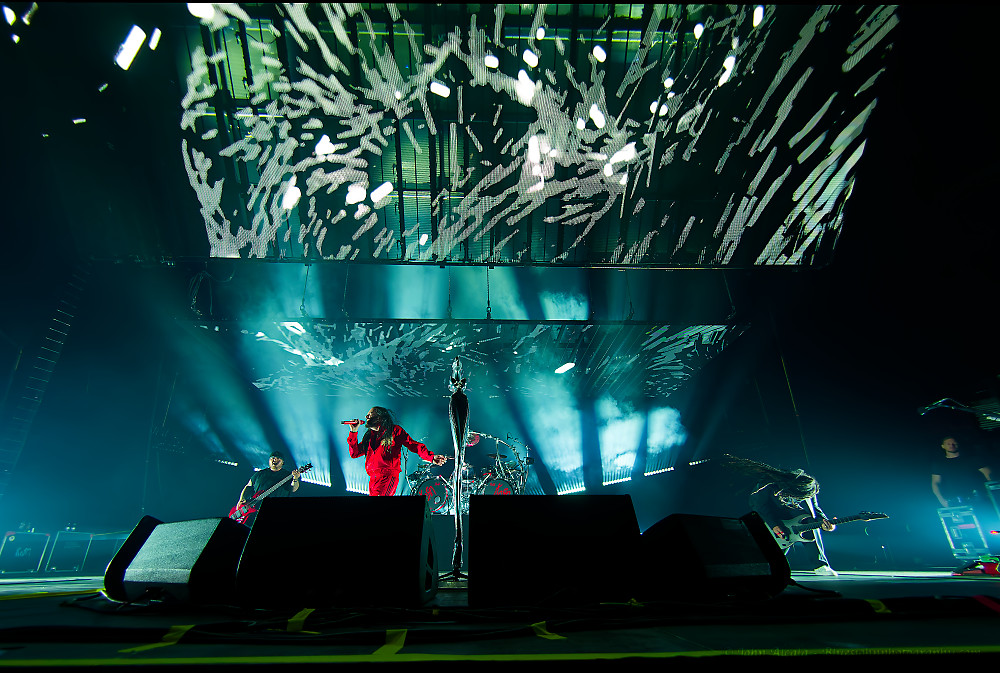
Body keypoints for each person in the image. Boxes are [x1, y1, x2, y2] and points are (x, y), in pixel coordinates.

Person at [722, 454, 838, 576]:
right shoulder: (768, 483)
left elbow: (815, 508)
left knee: (811, 524)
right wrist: (774, 525)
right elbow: (759, 505)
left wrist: (825, 522)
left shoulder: (808, 487)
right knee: (774, 555)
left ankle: (820, 565)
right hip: (776, 519)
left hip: (799, 519)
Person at [347, 406, 449, 496]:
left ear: (380, 417)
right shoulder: (369, 437)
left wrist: (431, 457)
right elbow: (354, 453)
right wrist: (353, 432)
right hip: (373, 479)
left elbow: (414, 445)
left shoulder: (395, 431)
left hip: (387, 477)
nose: (366, 417)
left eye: (370, 414)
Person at [233, 451, 301, 525]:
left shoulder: (288, 475)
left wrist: (295, 479)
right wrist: (242, 498)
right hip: (253, 509)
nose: (275, 459)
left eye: (278, 458)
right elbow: (249, 486)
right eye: (272, 458)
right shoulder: (260, 473)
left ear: (283, 462)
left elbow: (293, 489)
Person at [930, 436, 993, 508]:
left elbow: (989, 475)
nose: (951, 445)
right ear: (943, 446)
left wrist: (991, 493)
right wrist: (942, 500)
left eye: (954, 443)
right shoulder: (939, 464)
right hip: (955, 500)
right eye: (948, 444)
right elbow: (935, 483)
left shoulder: (972, 459)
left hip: (978, 498)